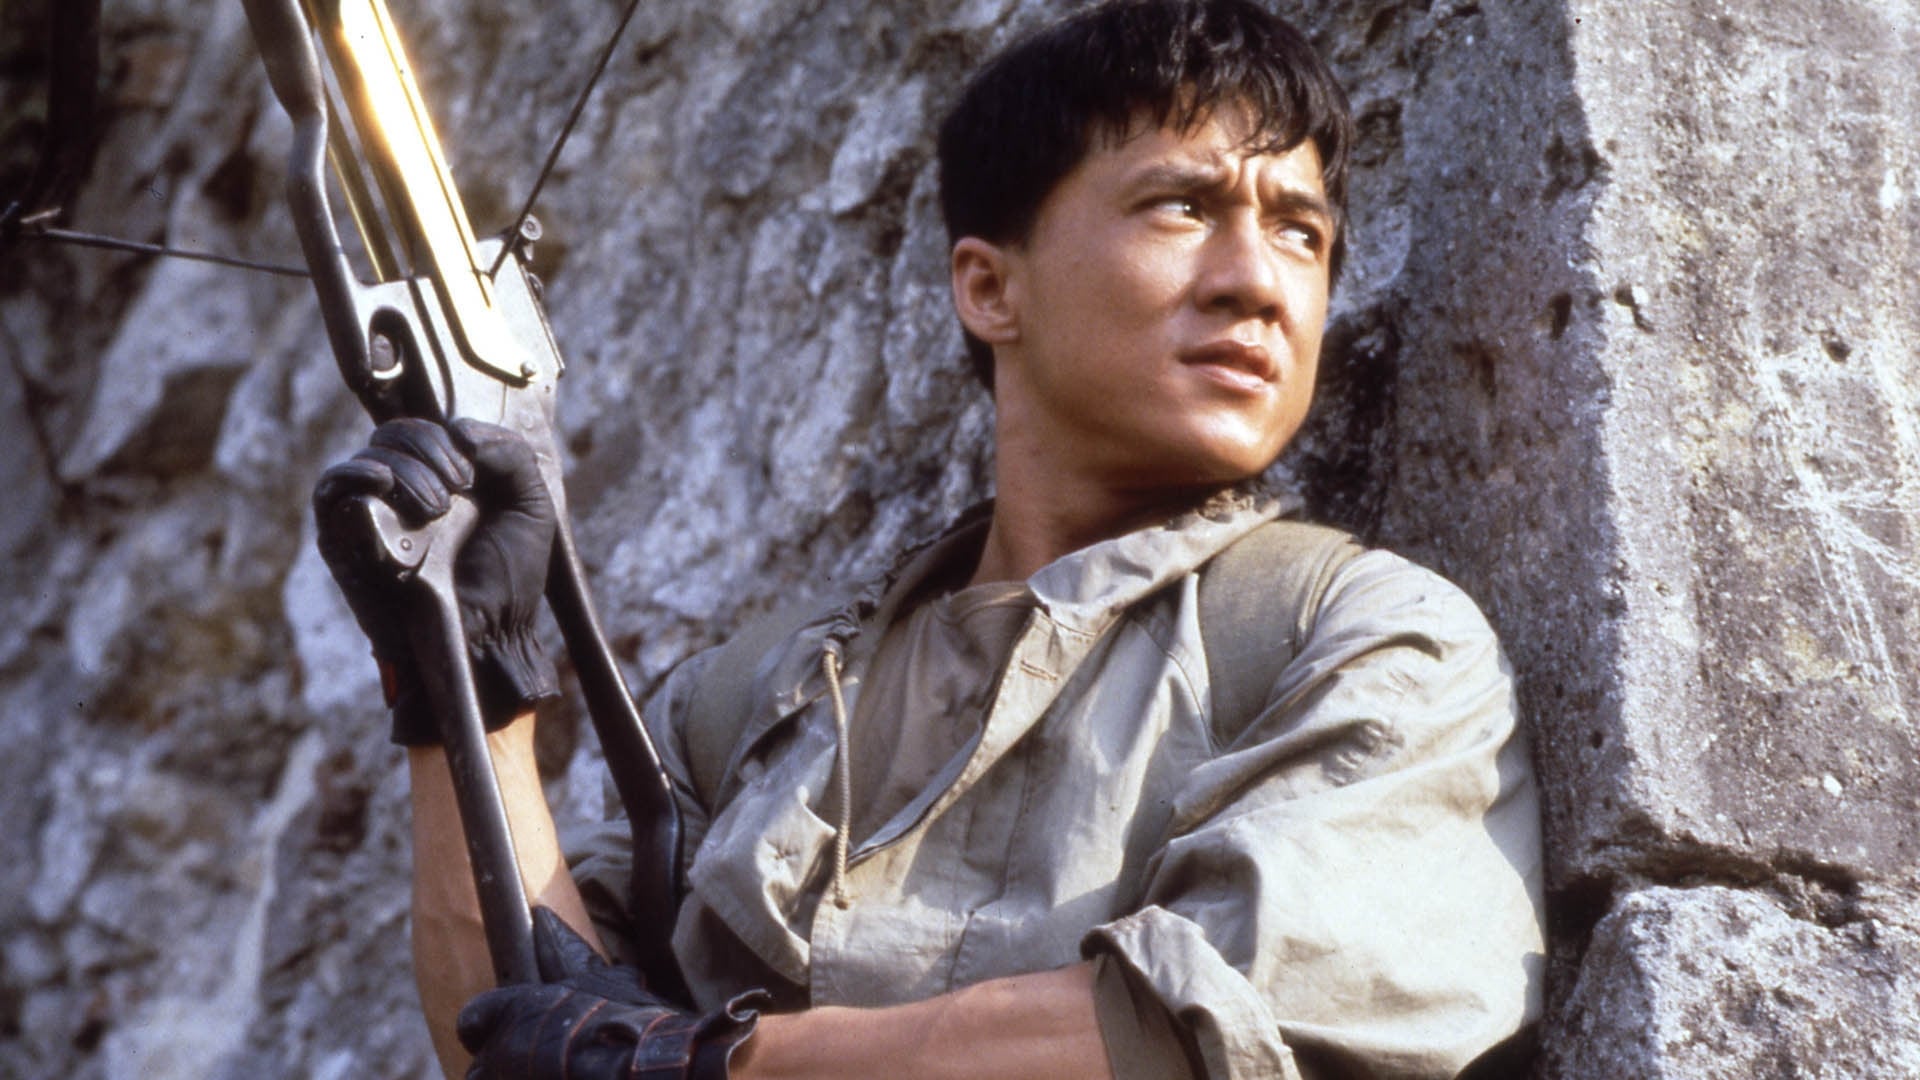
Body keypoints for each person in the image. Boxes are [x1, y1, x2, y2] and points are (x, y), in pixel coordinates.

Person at [313, 1, 1546, 1077]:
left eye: (1300, 232)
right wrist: (460, 681)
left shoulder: (1370, 641)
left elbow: (1198, 1032)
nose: (1258, 282)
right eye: (1185, 205)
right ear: (989, 287)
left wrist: (713, 1063)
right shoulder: (746, 706)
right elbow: (522, 1036)